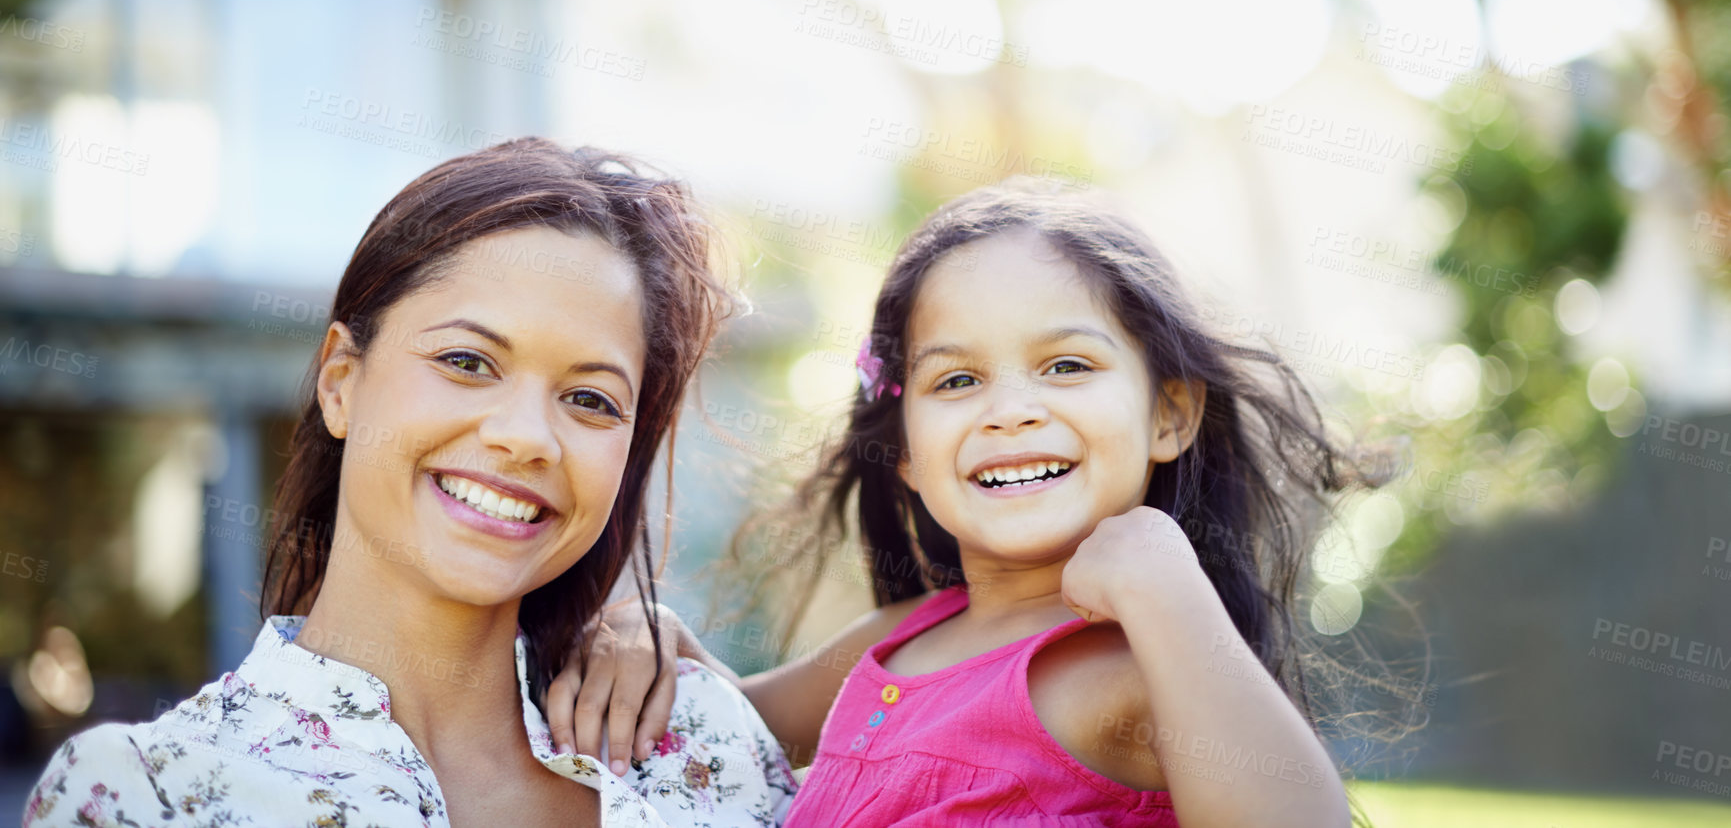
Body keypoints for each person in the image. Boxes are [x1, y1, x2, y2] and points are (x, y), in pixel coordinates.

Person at [24, 139, 795, 827]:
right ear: (340, 381)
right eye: (467, 361)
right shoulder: (146, 795)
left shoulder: (703, 751)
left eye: (590, 399)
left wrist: (704, 673)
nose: (525, 436)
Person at [551, 181, 1371, 825]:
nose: (1009, 409)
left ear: (1169, 413)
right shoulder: (898, 642)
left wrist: (1167, 586)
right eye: (957, 380)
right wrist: (648, 634)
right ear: (905, 450)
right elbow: (712, 730)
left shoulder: (1137, 669)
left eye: (1066, 366)